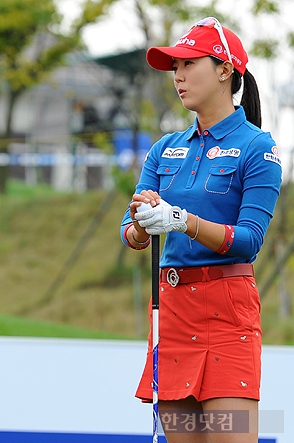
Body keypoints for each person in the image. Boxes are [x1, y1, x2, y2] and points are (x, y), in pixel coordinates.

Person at [120, 17, 282, 443]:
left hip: (227, 314)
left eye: (189, 64)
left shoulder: (257, 147)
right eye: (175, 66)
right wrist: (142, 223)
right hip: (173, 311)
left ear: (226, 70)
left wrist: (182, 222)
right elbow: (129, 231)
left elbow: (249, 240)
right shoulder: (163, 148)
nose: (178, 75)